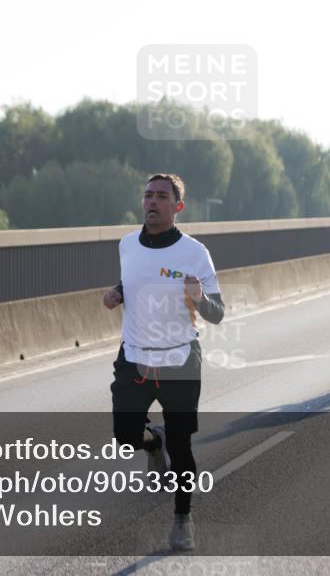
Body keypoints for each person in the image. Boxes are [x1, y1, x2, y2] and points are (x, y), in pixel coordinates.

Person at [102, 173, 224, 552]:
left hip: (180, 360)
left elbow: (217, 313)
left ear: (177, 206)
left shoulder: (195, 253)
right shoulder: (126, 245)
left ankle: (182, 520)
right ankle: (155, 444)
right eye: (147, 195)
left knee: (184, 448)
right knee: (125, 436)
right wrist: (118, 292)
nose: (151, 202)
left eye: (160, 196)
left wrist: (199, 298)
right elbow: (136, 279)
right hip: (135, 357)